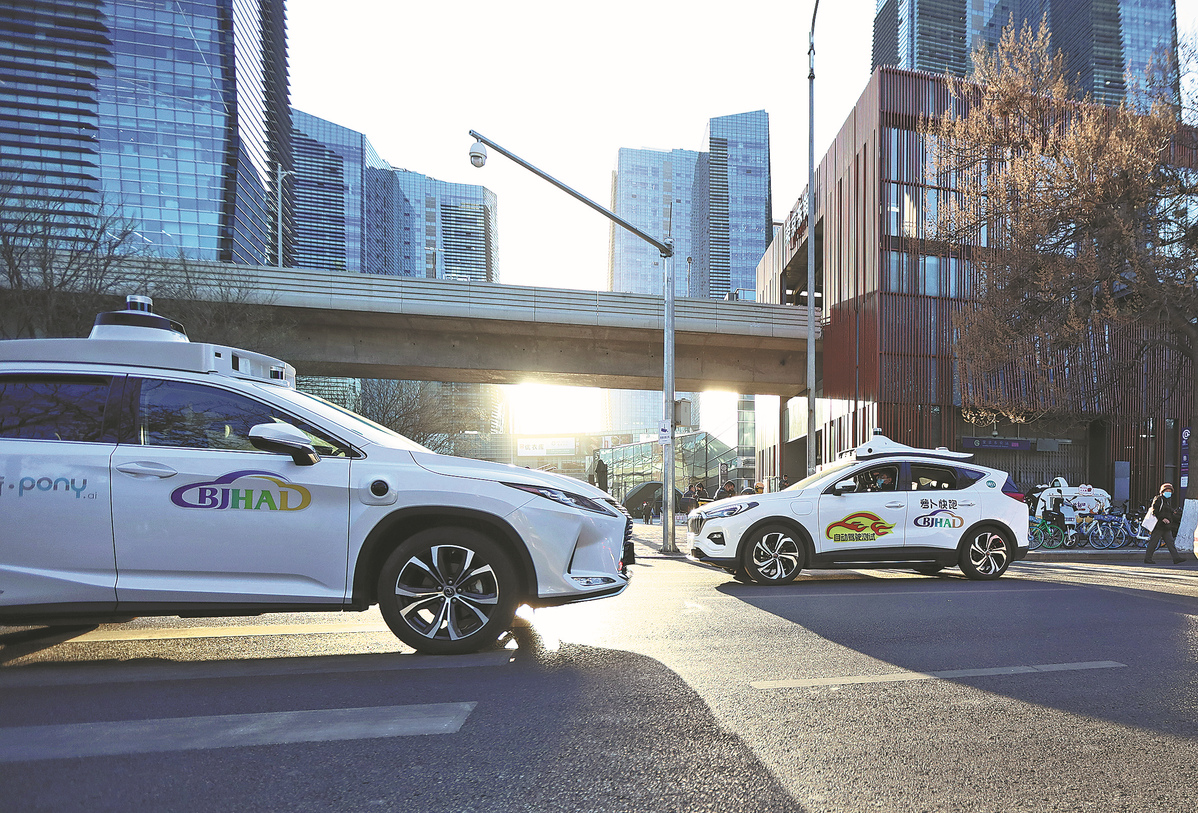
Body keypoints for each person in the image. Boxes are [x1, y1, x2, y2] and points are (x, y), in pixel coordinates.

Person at [1144, 483, 1187, 564]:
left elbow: (1168, 511)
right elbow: (1154, 511)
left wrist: (1173, 513)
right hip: (1159, 526)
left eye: (1170, 491)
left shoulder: (1167, 501)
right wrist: (1162, 518)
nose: (1168, 492)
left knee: (1170, 542)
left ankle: (1176, 558)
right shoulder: (1158, 499)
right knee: (1154, 542)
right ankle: (1147, 558)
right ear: (1162, 491)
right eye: (1167, 491)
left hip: (1166, 526)